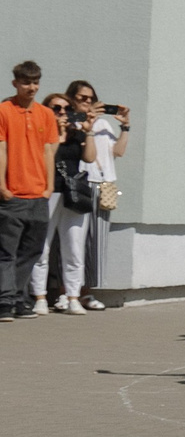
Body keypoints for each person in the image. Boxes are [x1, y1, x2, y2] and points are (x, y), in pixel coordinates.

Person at [47, 82, 125, 313]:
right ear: (72, 99)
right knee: (66, 242)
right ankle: (64, 293)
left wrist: (126, 127)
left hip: (101, 185)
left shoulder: (101, 123)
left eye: (91, 98)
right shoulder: (68, 122)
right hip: (76, 183)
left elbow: (117, 152)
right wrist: (82, 120)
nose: (87, 101)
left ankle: (84, 291)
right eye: (82, 97)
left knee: (92, 244)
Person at [0, 61, 60, 318]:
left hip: (38, 195)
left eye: (35, 82)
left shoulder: (45, 114)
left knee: (33, 250)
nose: (32, 87)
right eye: (26, 82)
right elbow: (1, 149)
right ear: (15, 83)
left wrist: (49, 187)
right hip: (12, 194)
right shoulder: (4, 110)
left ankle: (15, 297)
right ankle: (5, 302)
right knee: (6, 252)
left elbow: (49, 150)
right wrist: (2, 185)